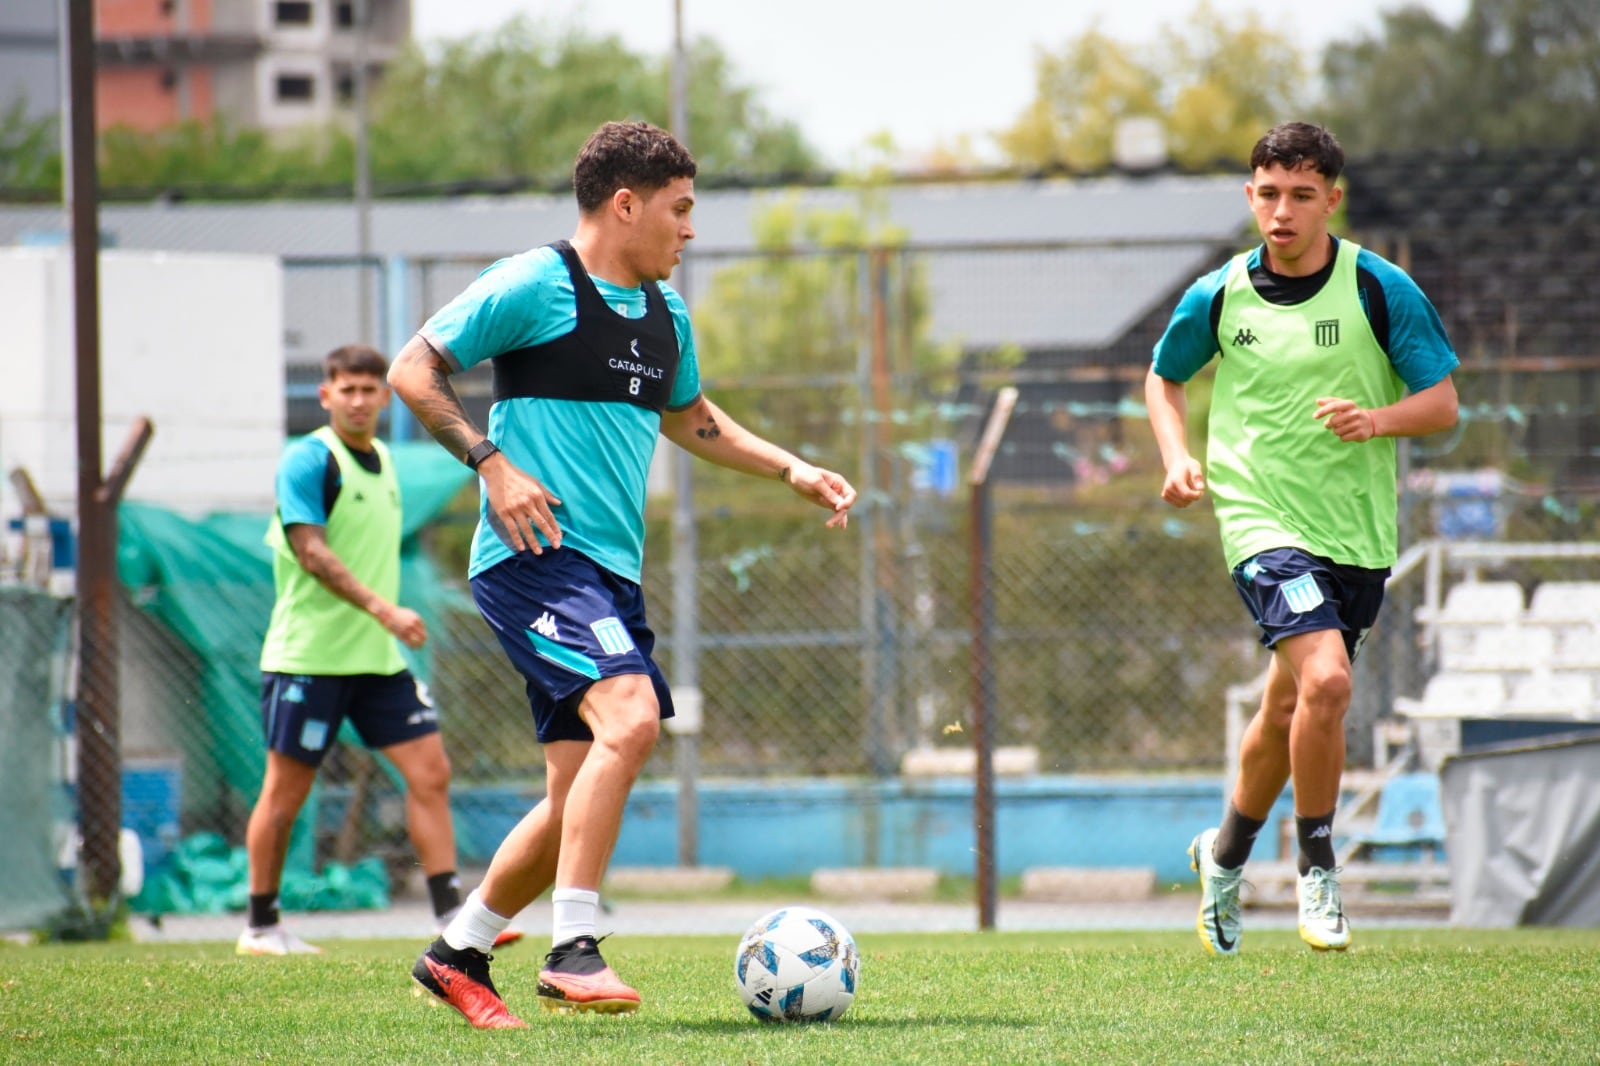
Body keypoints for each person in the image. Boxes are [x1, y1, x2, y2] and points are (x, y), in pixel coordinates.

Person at [389, 120, 857, 1027]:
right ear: (626, 204)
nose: (690, 230)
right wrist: (492, 463)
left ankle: (459, 951)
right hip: (534, 560)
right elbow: (415, 369)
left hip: (607, 576)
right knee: (633, 717)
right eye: (680, 211)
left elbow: (692, 418)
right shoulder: (535, 283)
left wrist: (791, 468)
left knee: (574, 795)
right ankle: (573, 945)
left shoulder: (666, 315)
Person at [1145, 122, 1459, 956]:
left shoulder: (1378, 289)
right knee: (1326, 683)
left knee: (1290, 704)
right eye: (1268, 195)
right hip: (1258, 517)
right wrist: (1177, 457)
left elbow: (1442, 403)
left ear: (1332, 200)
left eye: (1301, 196)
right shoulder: (1218, 293)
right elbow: (1165, 376)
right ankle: (1318, 871)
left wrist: (1377, 419)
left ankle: (1223, 857)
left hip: (1354, 531)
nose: (1282, 213)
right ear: (1251, 196)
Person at [239, 344, 514, 955]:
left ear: (386, 397)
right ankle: (261, 925)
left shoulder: (386, 461)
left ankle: (451, 916)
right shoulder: (309, 459)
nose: (360, 400)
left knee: (430, 773)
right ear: (326, 395)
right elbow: (311, 551)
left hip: (379, 661)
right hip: (308, 658)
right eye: (348, 389)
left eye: (370, 389)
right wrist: (385, 610)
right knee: (285, 795)